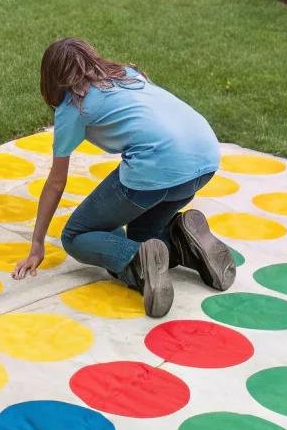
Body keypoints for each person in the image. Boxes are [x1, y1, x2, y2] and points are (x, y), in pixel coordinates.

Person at [13, 38, 235, 317]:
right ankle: (182, 241)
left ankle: (138, 262)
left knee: (77, 235)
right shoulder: (127, 74)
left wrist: (37, 244)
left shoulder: (73, 106)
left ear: (51, 79)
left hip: (158, 166)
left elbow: (57, 182)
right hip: (205, 158)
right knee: (141, 234)